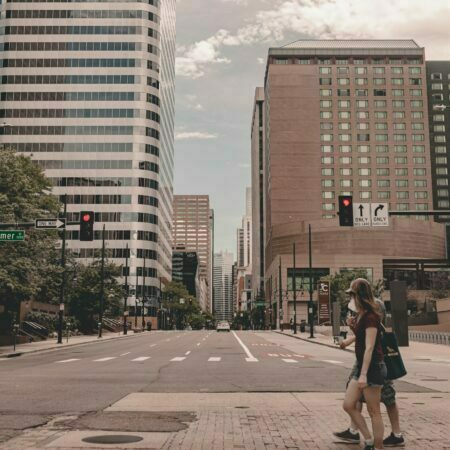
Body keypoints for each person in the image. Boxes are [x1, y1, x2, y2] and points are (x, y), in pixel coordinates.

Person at [334, 295, 404, 447]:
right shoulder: (365, 315)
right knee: (356, 398)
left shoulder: (374, 314)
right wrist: (349, 335)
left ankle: (395, 435)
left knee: (387, 398)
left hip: (376, 362)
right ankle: (354, 430)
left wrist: (364, 373)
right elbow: (361, 335)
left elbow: (371, 339)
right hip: (364, 362)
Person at [338, 278, 387, 450]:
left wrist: (364, 374)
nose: (350, 299)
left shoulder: (371, 317)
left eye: (352, 295)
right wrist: (353, 327)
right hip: (362, 366)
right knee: (348, 404)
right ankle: (368, 439)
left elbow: (370, 347)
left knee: (374, 411)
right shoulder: (362, 315)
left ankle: (377, 447)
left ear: (359, 296)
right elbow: (361, 339)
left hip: (372, 368)